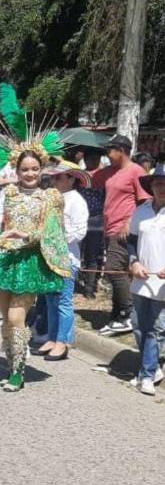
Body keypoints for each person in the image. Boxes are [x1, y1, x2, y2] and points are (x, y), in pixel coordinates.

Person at [0, 82, 71, 392]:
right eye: (25, 169)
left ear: (42, 168)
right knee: (6, 320)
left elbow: (55, 234)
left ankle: (17, 371)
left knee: (15, 319)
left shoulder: (51, 198)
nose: (30, 173)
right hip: (3, 259)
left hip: (29, 263)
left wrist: (26, 235)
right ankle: (13, 354)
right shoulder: (8, 193)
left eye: (34, 168)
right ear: (17, 169)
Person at [92, 134, 149, 336]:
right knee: (118, 272)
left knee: (114, 269)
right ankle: (117, 315)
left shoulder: (136, 171)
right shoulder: (109, 172)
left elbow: (145, 200)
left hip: (123, 230)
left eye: (110, 150)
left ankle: (128, 313)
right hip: (108, 228)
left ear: (122, 151)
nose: (107, 154)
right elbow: (90, 179)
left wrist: (129, 222)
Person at [33, 162, 90, 360]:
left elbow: (80, 231)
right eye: (54, 177)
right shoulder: (53, 198)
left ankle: (63, 341)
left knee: (64, 301)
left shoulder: (77, 201)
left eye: (59, 177)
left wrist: (55, 238)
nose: (55, 180)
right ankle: (52, 337)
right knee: (51, 300)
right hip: (49, 257)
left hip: (66, 257)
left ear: (71, 179)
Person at [127, 163, 165, 396]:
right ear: (151, 186)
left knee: (156, 329)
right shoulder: (141, 210)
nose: (162, 188)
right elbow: (131, 241)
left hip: (162, 285)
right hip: (141, 279)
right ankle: (152, 367)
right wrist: (134, 262)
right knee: (138, 324)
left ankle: (147, 374)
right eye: (158, 183)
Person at [79, 151, 105, 298]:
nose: (94, 160)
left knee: (93, 254)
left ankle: (89, 287)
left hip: (96, 220)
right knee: (77, 253)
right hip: (79, 220)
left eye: (97, 158)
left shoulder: (103, 176)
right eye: (91, 158)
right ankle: (77, 280)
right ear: (85, 159)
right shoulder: (79, 176)